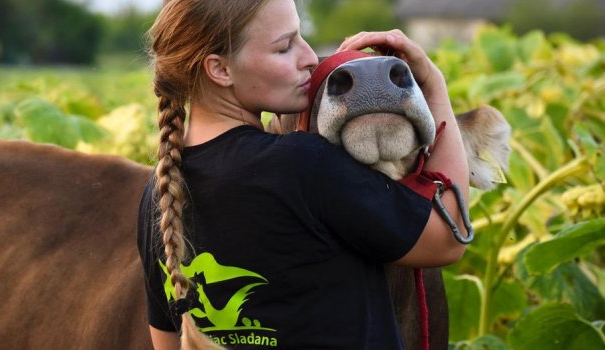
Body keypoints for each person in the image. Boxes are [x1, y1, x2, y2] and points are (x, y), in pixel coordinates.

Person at [136, 0, 469, 349]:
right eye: (285, 47)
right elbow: (449, 236)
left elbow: (166, 340)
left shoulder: (158, 193)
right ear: (220, 70)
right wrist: (434, 85)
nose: (310, 58)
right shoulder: (302, 165)